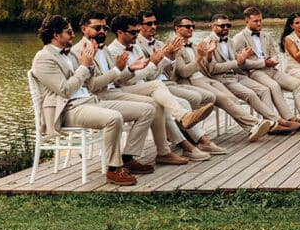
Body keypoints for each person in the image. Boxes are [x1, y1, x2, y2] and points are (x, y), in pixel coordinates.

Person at [72, 12, 213, 166]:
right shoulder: (79, 51)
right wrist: (124, 69)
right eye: (97, 28)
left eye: (104, 28)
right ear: (84, 28)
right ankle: (178, 132)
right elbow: (93, 86)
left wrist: (131, 68)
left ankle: (163, 151)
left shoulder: (104, 49)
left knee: (156, 101)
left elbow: (120, 78)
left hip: (119, 89)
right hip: (102, 96)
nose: (102, 31)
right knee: (156, 94)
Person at [30, 15, 155, 186]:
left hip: (90, 100)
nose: (73, 35)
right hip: (68, 109)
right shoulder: (43, 58)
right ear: (55, 34)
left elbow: (91, 84)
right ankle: (113, 169)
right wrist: (84, 65)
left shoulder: (72, 55)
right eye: (69, 32)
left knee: (147, 109)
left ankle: (127, 158)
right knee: (113, 117)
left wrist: (91, 64)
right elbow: (65, 90)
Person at [169, 15, 279, 140]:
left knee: (232, 98)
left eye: (192, 26)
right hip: (192, 81)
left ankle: (251, 127)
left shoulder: (195, 46)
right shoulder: (174, 47)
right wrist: (199, 57)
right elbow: (183, 72)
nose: (191, 29)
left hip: (206, 78)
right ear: (177, 28)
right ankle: (255, 123)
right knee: (223, 98)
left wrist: (209, 54)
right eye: (188, 26)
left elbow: (207, 69)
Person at [231, 7, 300, 131]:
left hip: (271, 69)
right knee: (274, 86)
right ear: (246, 21)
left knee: (297, 84)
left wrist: (273, 61)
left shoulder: (266, 35)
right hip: (255, 72)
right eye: (256, 21)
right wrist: (262, 63)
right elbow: (239, 63)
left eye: (260, 20)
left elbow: (274, 53)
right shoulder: (239, 38)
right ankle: (289, 118)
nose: (259, 23)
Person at [202, 14, 289, 135]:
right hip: (222, 79)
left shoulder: (230, 41)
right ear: (212, 26)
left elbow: (239, 62)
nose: (226, 28)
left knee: (264, 90)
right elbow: (213, 69)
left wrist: (243, 58)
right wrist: (238, 61)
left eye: (228, 25)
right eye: (222, 25)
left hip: (238, 75)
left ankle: (270, 122)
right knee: (250, 94)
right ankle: (276, 121)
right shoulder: (206, 43)